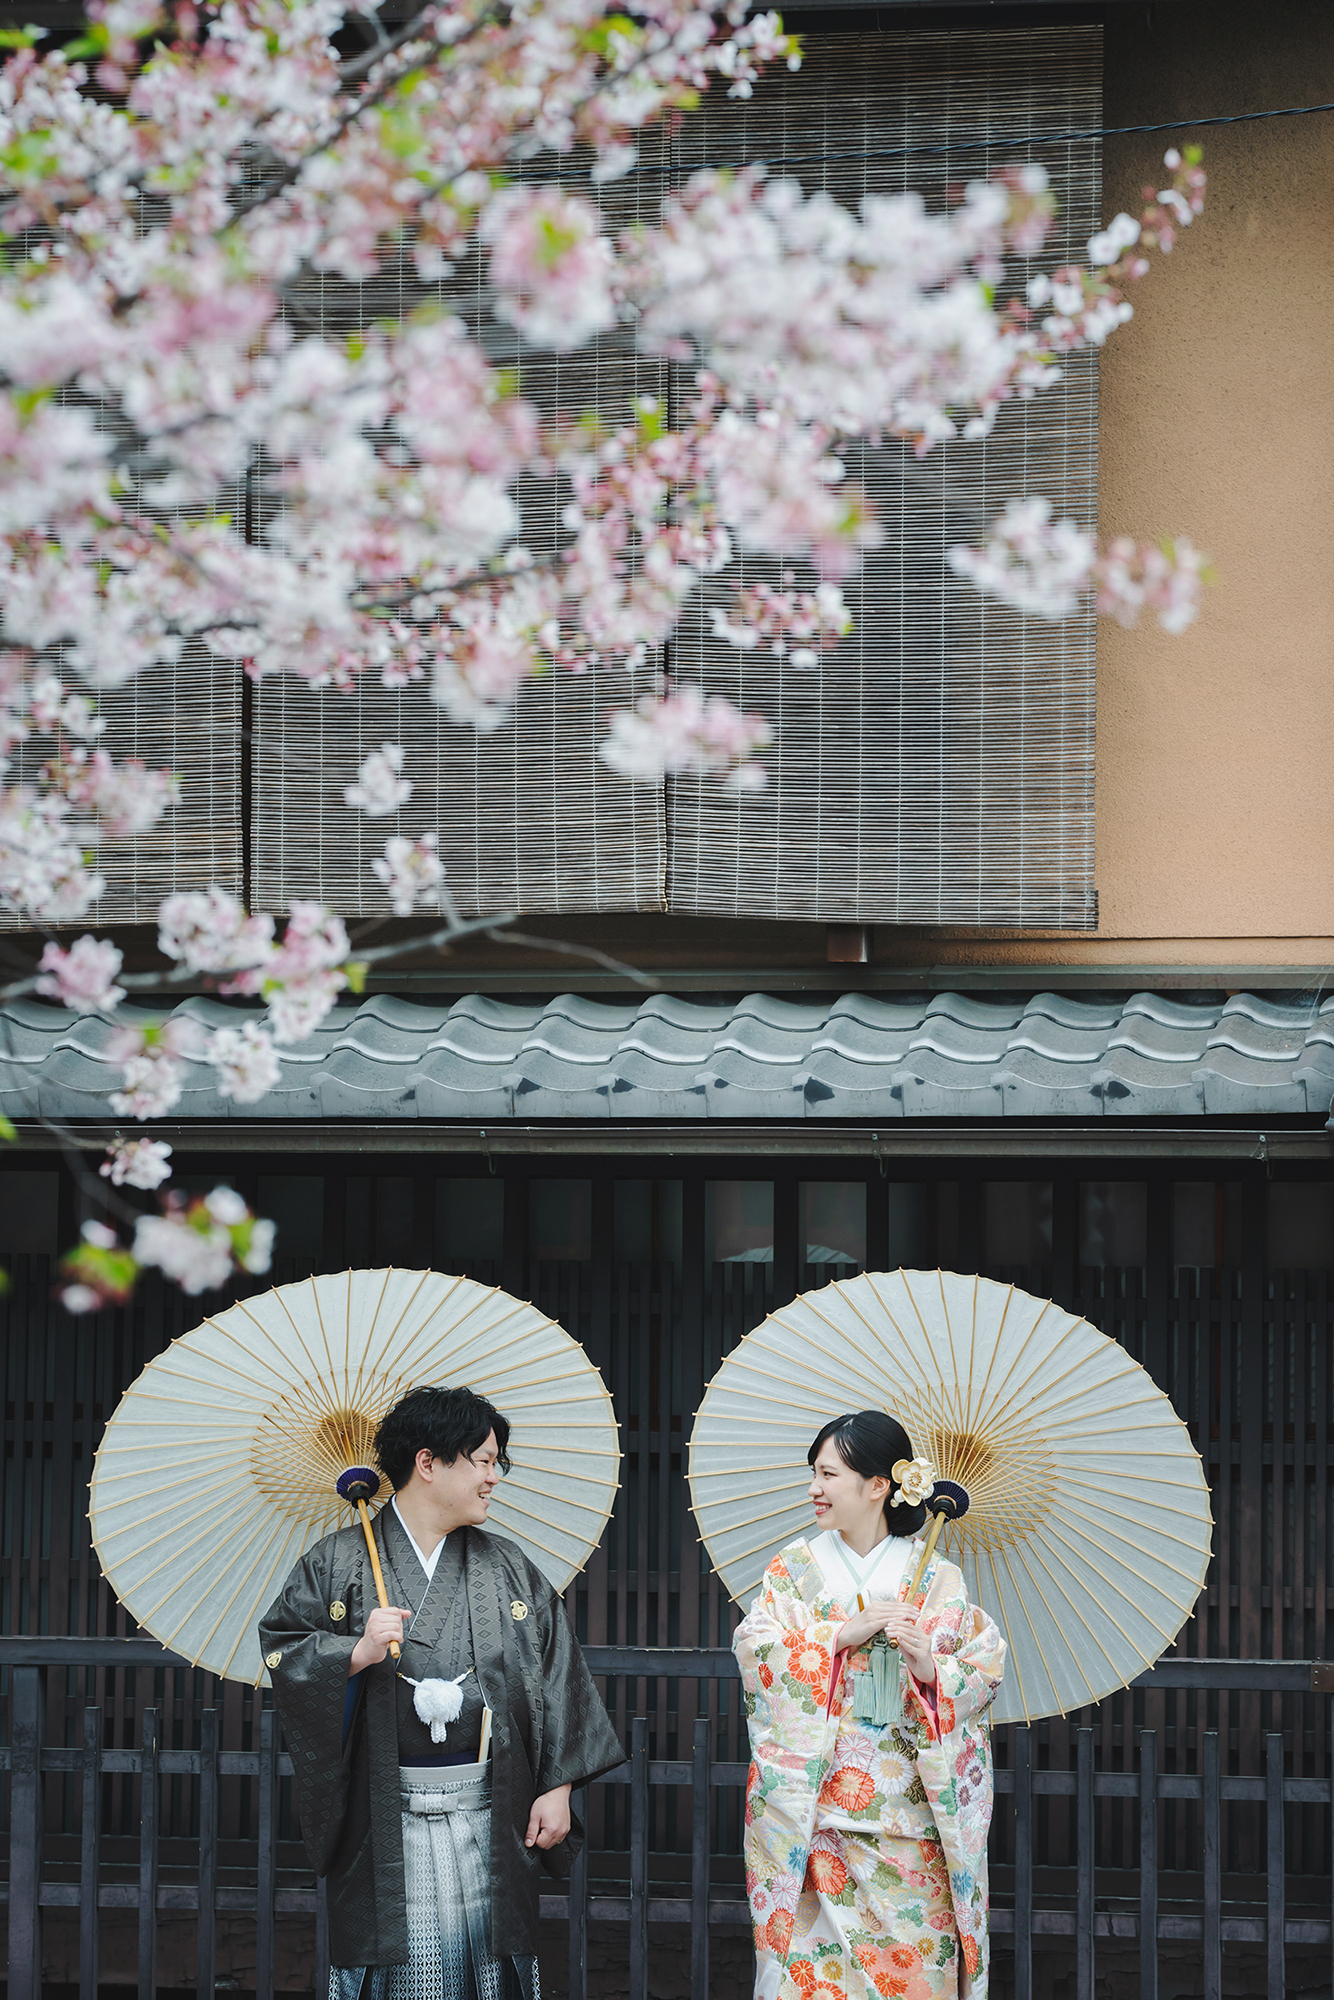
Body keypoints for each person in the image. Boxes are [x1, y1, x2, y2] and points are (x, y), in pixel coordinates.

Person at [258, 1384, 624, 2000]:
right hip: (385, 1813)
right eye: (483, 1460)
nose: (493, 1478)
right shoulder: (340, 1563)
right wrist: (353, 1652)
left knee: (489, 1965)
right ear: (428, 1464)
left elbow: (558, 1673)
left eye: (495, 1464)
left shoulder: (507, 1567)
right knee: (395, 1970)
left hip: (491, 1806)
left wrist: (557, 1786)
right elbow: (282, 1647)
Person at [734, 1410, 1006, 2000]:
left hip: (911, 1828)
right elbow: (757, 1650)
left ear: (880, 1485)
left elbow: (983, 1669)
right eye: (814, 1473)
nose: (815, 1488)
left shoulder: (937, 1579)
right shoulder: (794, 1571)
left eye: (829, 1474)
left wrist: (930, 1667)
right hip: (818, 1823)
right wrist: (840, 1636)